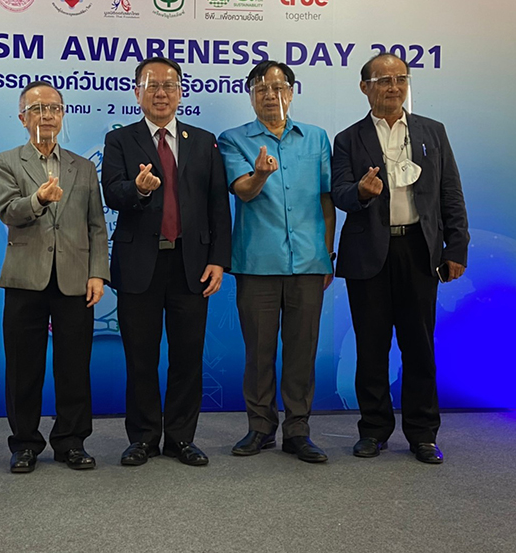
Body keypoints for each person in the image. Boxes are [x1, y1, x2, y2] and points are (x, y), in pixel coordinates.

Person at [331, 53, 469, 464]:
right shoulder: (348, 139)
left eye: (400, 79)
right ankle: (373, 430)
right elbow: (338, 193)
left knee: (419, 346)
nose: (394, 87)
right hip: (368, 254)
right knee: (371, 348)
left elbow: (450, 193)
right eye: (383, 80)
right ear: (364, 87)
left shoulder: (432, 132)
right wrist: (361, 192)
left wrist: (456, 248)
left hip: (418, 250)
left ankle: (423, 432)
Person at [102, 57, 231, 467]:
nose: (161, 93)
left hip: (190, 265)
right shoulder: (120, 139)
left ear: (180, 92)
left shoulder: (203, 140)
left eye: (169, 85)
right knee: (140, 356)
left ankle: (180, 437)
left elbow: (217, 205)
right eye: (152, 85)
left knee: (187, 356)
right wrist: (137, 190)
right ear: (137, 91)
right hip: (140, 262)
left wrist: (219, 260)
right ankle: (142, 437)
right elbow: (111, 193)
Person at [218, 60, 335, 464]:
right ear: (250, 95)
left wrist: (327, 254)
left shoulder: (317, 138)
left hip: (309, 262)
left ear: (292, 91)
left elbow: (326, 199)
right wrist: (262, 174)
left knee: (303, 350)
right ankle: (260, 427)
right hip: (257, 263)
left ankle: (298, 430)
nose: (271, 94)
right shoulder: (232, 139)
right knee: (259, 350)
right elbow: (243, 192)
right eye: (261, 88)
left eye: (279, 87)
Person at [0, 81, 109, 473]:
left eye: (53, 108)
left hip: (76, 279)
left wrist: (98, 274)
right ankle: (24, 443)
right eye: (37, 109)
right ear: (22, 118)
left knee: (74, 366)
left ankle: (71, 441)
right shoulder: (6, 162)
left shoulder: (84, 166)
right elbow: (8, 211)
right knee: (24, 367)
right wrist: (38, 199)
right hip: (25, 278)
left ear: (62, 115)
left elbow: (96, 226)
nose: (46, 115)